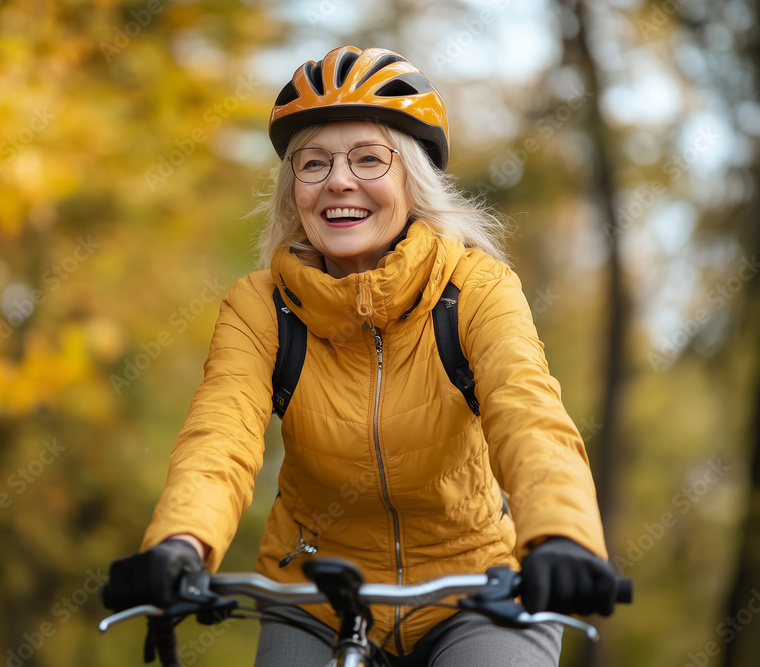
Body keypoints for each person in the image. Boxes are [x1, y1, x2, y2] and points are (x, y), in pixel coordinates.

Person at [102, 45, 618, 666]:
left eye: (370, 159)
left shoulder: (475, 289)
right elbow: (221, 437)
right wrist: (180, 545)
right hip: (316, 599)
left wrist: (561, 538)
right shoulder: (259, 306)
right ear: (293, 191)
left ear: (413, 180)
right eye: (313, 163)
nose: (339, 181)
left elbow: (527, 415)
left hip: (476, 592)